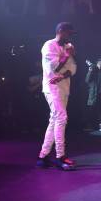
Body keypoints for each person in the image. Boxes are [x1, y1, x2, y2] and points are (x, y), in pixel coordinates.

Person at [36, 22, 77, 171]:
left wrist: (63, 75)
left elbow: (73, 68)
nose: (70, 36)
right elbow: (54, 67)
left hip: (64, 88)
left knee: (54, 121)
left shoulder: (67, 47)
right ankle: (60, 156)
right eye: (69, 33)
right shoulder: (49, 46)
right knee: (61, 118)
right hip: (52, 88)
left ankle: (43, 156)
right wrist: (67, 56)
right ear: (61, 31)